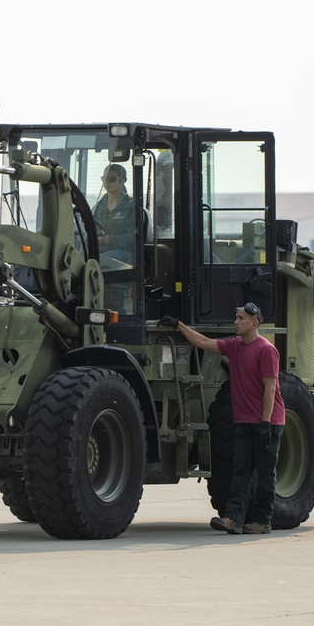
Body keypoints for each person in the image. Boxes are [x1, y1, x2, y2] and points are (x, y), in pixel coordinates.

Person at [159, 303, 285, 535]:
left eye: (241, 318)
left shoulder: (266, 350)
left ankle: (262, 521)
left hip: (267, 423)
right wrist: (178, 325)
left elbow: (270, 388)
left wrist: (265, 423)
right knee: (240, 473)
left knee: (266, 476)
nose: (236, 322)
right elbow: (203, 342)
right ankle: (233, 519)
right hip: (243, 422)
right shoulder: (234, 346)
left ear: (254, 322)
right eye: (235, 317)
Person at [92, 163, 137, 264]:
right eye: (104, 179)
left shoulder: (131, 205)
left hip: (124, 253)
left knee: (99, 262)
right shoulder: (98, 207)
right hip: (99, 251)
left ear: (123, 180)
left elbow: (135, 236)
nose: (106, 182)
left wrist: (110, 240)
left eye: (111, 179)